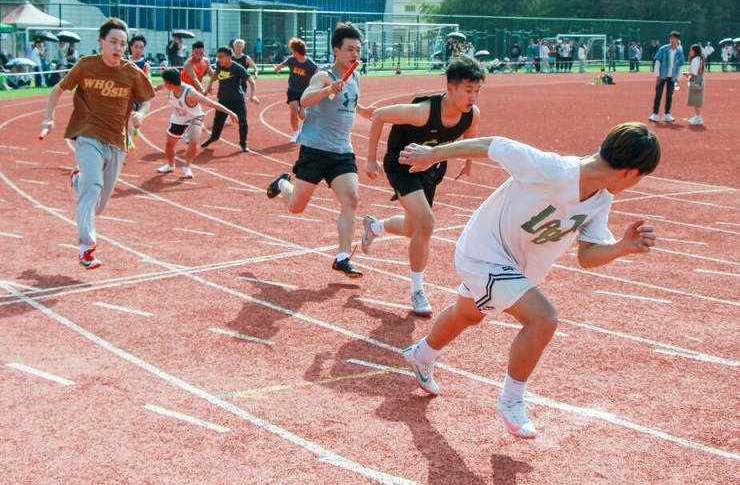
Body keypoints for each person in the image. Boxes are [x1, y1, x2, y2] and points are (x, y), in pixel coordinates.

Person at [399, 122, 661, 439]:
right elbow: (493, 145)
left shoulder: (601, 199)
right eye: (641, 178)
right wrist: (433, 154)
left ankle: (422, 355)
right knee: (543, 318)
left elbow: (587, 256)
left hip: (514, 269)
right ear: (631, 173)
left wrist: (621, 247)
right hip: (484, 253)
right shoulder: (553, 169)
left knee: (467, 314)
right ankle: (512, 400)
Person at [362, 55, 484, 315]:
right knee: (426, 223)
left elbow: (471, 136)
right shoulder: (423, 112)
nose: (473, 97)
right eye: (468, 90)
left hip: (431, 167)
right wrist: (371, 160)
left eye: (477, 90)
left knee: (412, 227)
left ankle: (375, 227)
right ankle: (417, 291)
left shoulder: (471, 114)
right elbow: (379, 115)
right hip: (402, 165)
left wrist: (468, 163)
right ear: (450, 88)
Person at [40, 17, 156, 270]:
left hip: (117, 140)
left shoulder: (131, 72)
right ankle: (86, 248)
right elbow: (58, 89)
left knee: (99, 206)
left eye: (122, 44)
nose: (118, 47)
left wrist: (141, 113)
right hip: (88, 133)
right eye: (113, 42)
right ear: (102, 42)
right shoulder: (86, 65)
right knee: (92, 189)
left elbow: (146, 100)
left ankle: (77, 180)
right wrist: (49, 117)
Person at [265, 23, 375, 278]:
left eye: (358, 50)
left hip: (342, 151)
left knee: (351, 200)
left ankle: (342, 257)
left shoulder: (356, 76)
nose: (355, 54)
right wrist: (328, 89)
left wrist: (364, 111)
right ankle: (283, 184)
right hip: (315, 150)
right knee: (296, 207)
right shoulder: (324, 76)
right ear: (336, 50)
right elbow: (305, 100)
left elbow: (349, 101)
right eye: (350, 49)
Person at [156, 68, 238, 179]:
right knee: (169, 144)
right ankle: (170, 166)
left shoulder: (190, 93)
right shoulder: (169, 86)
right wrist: (154, 89)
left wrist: (231, 113)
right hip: (179, 118)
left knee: (193, 140)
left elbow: (212, 103)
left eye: (165, 82)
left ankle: (187, 167)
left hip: (195, 117)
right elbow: (159, 87)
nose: (164, 84)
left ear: (169, 83)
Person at [200, 46, 259, 151]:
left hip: (237, 100)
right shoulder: (219, 65)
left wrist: (253, 95)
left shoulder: (238, 68)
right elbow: (216, 74)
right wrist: (210, 84)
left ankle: (243, 143)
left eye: (221, 57)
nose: (219, 59)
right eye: (218, 57)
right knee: (218, 122)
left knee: (242, 122)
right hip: (223, 100)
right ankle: (213, 138)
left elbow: (251, 82)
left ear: (228, 57)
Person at [274, 37, 318, 144]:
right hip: (293, 90)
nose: (291, 52)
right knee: (293, 111)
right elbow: (280, 66)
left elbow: (315, 81)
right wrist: (277, 69)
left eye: (292, 50)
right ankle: (296, 133)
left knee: (302, 115)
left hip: (306, 92)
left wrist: (303, 106)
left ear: (297, 51)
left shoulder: (311, 65)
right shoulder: (291, 60)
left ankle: (309, 131)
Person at [649, 31, 684, 123]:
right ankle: (655, 114)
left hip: (672, 77)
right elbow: (657, 62)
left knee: (669, 95)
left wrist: (678, 77)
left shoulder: (679, 52)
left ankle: (667, 114)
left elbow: (681, 66)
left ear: (678, 40)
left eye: (674, 38)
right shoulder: (663, 49)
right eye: (671, 38)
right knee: (658, 94)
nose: (672, 40)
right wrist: (657, 75)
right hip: (662, 76)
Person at [684, 43, 706, 126]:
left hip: (696, 81)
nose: (690, 52)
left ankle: (698, 117)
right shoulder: (700, 59)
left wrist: (687, 73)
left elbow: (694, 72)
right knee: (697, 98)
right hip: (699, 80)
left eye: (691, 50)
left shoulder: (695, 60)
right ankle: (697, 116)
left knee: (696, 99)